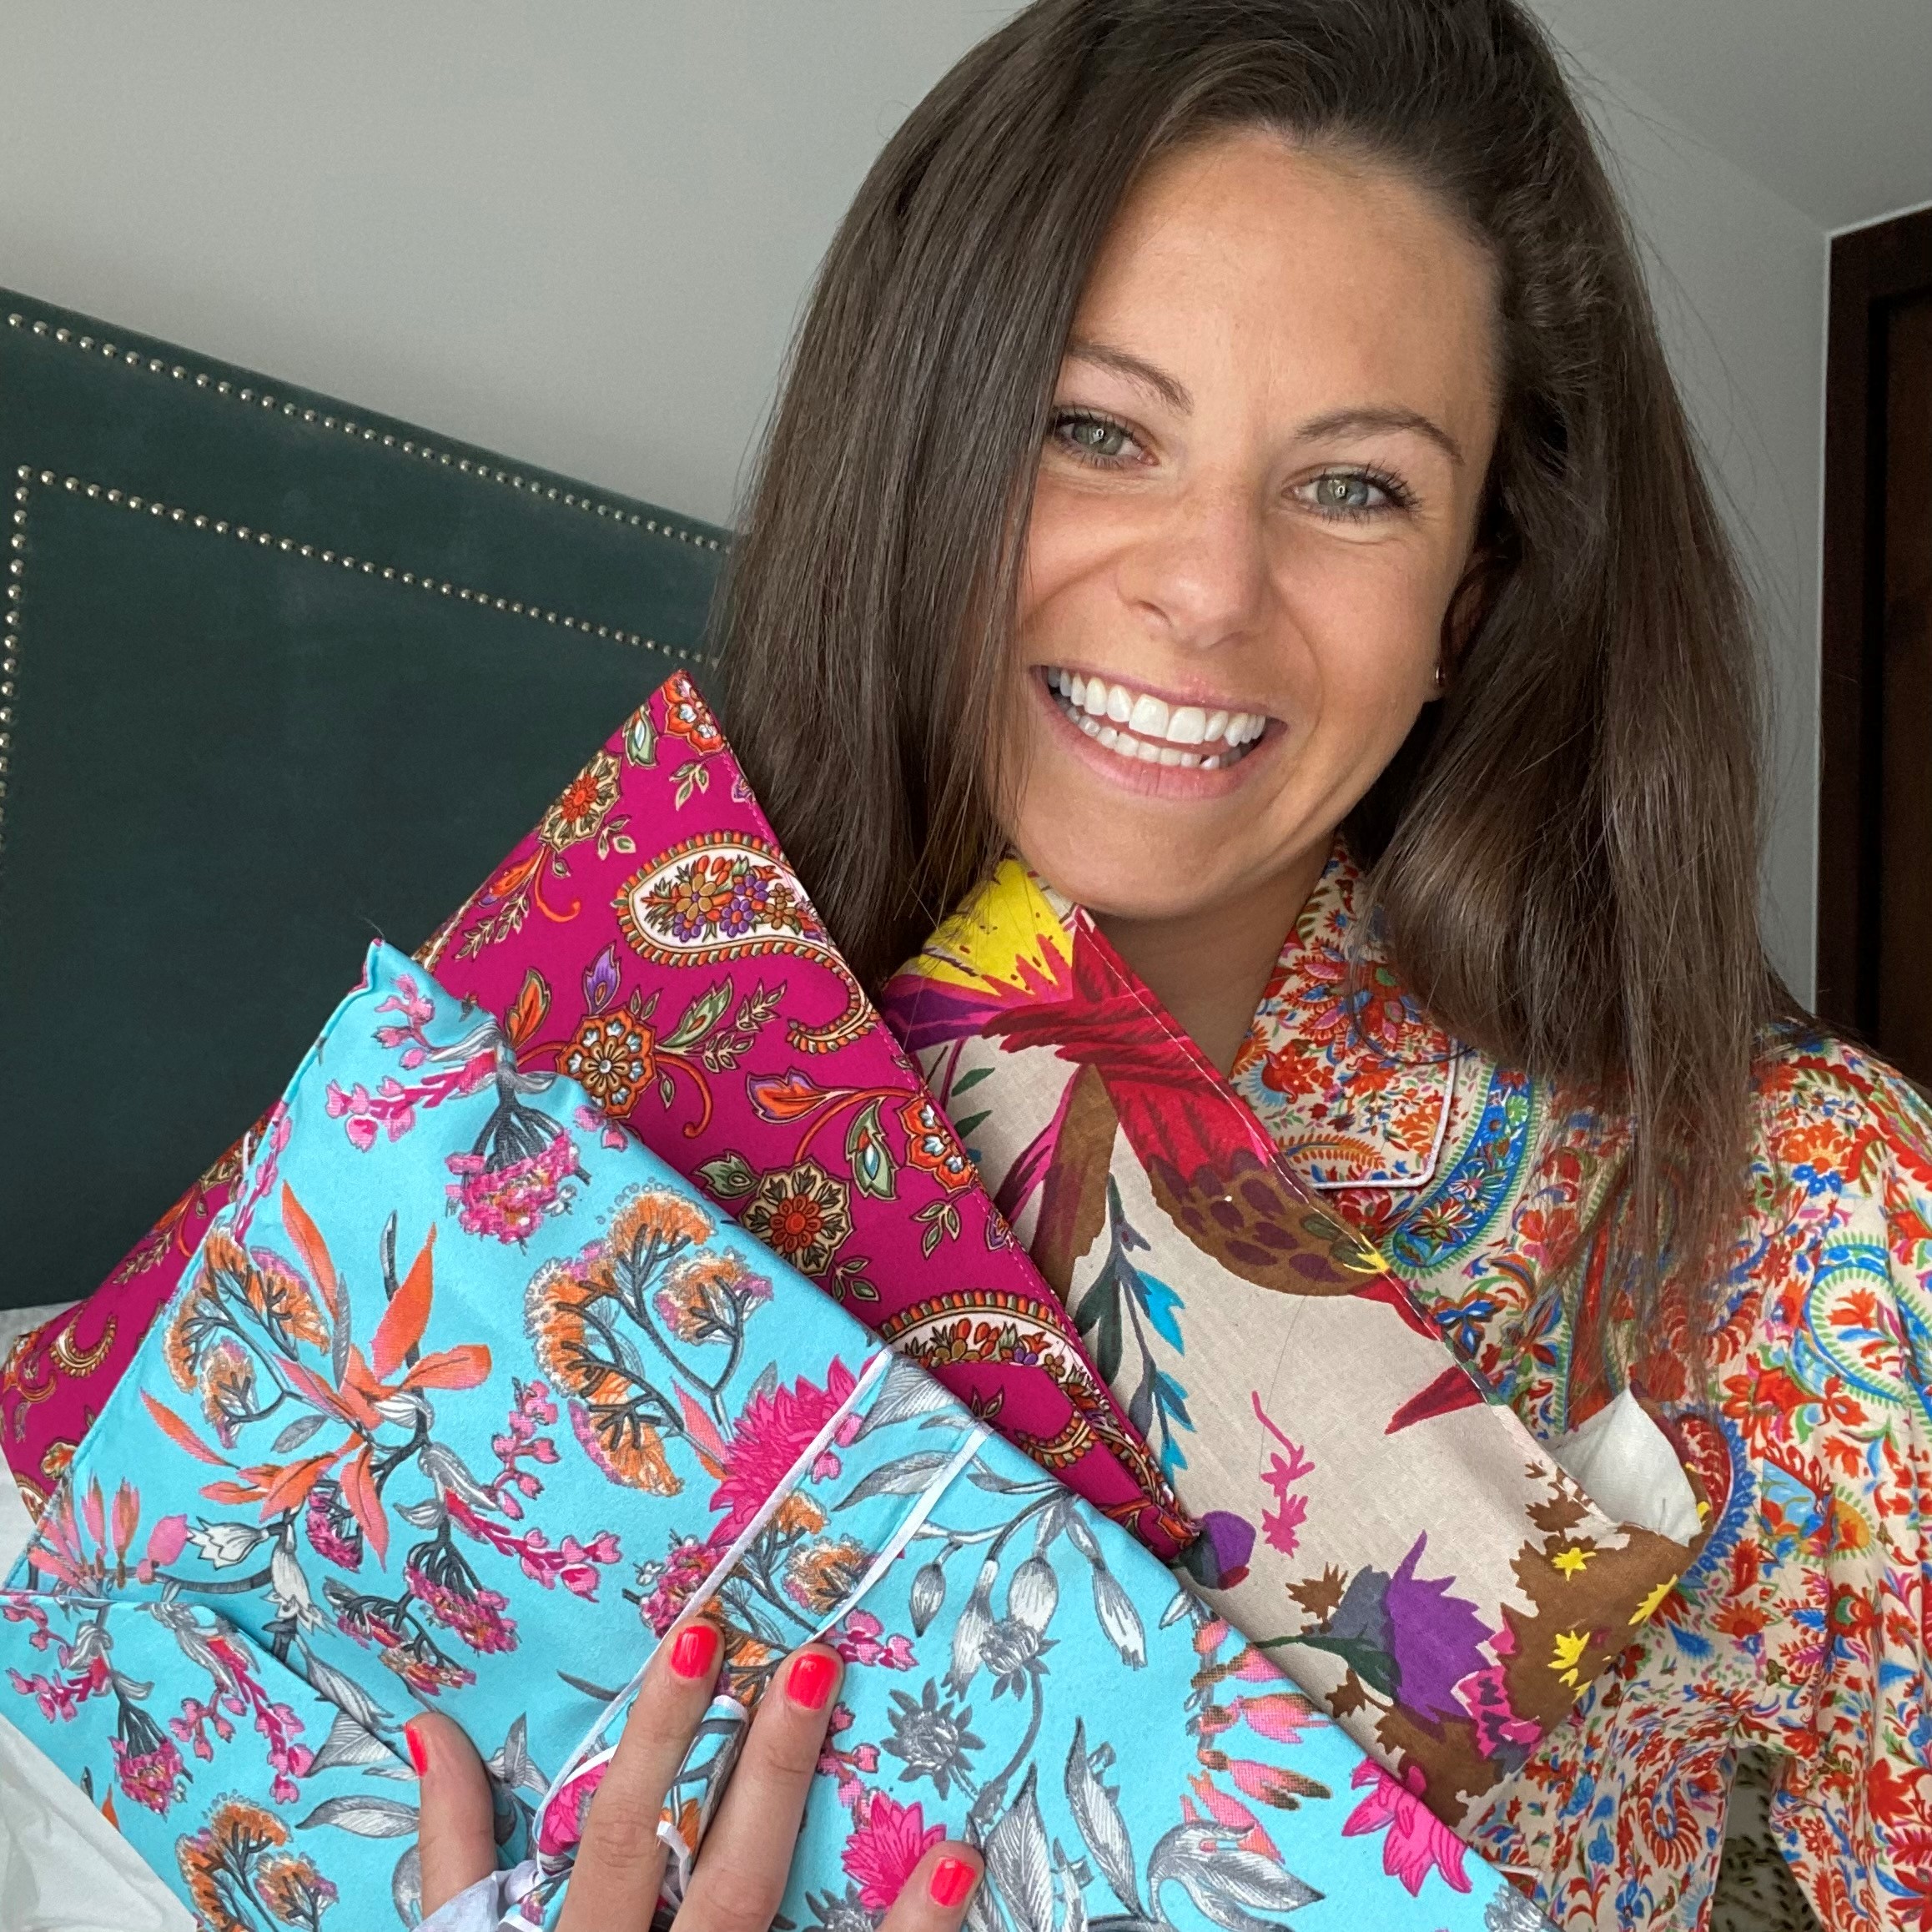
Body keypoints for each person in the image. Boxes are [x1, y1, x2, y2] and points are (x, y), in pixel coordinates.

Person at [421, 3, 1930, 1927]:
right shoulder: (563, 1088)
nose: (1209, 586)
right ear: (920, 459)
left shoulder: (1803, 1210)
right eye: (1095, 429)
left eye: (1355, 485)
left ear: (1468, 602)